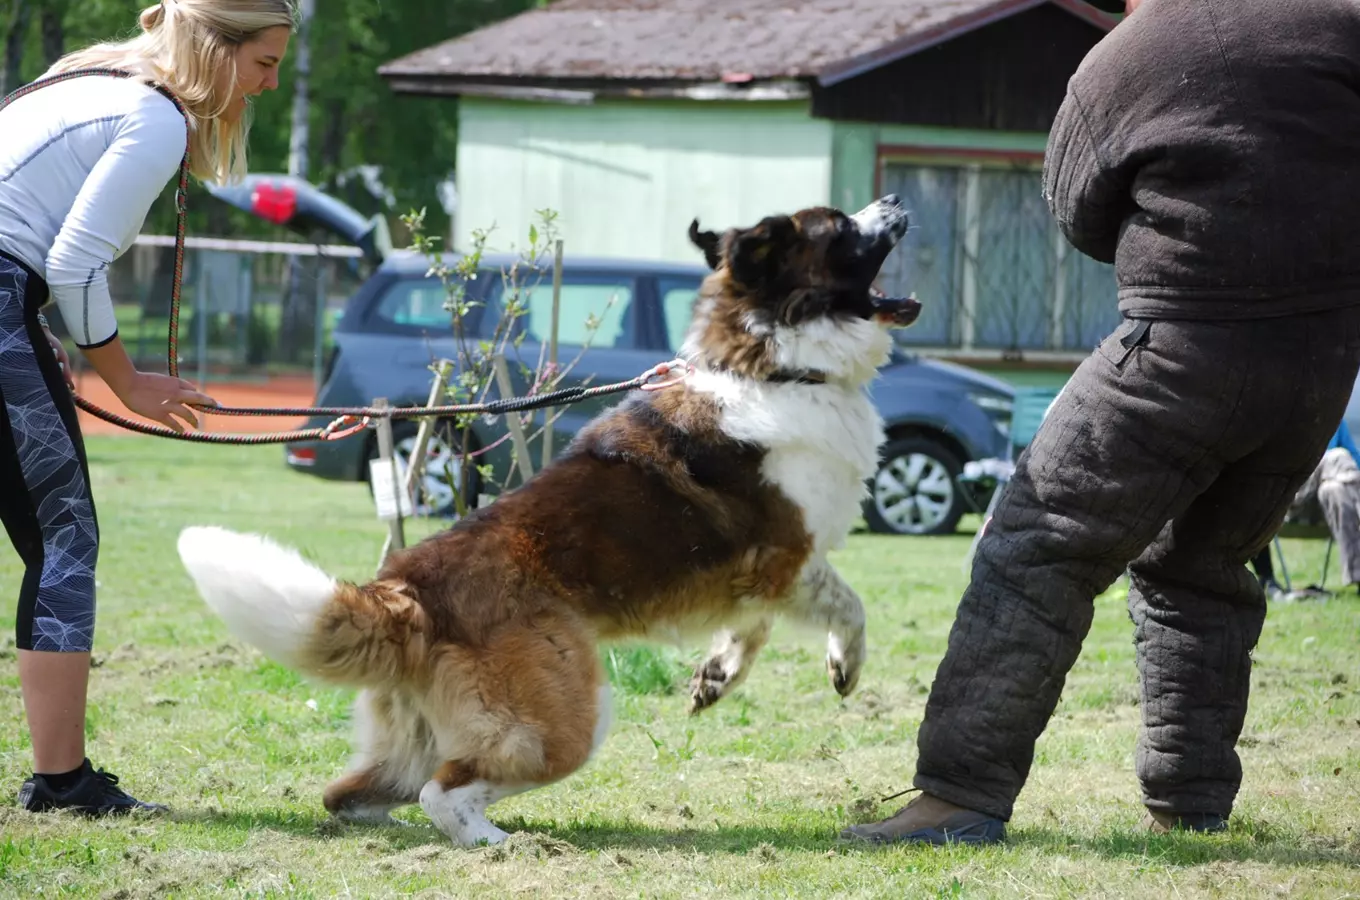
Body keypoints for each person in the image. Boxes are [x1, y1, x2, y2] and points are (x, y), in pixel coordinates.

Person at [843, 0, 1360, 845]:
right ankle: (1190, 804)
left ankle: (958, 796)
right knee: (1203, 566)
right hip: (1318, 363)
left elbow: (1078, 211)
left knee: (1034, 545)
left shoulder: (1127, 57)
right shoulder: (1340, 27)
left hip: (1180, 340)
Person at [0, 0, 294, 815]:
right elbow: (73, 266)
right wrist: (127, 381)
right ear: (216, 49)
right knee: (65, 535)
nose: (267, 87)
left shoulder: (94, 79)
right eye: (264, 64)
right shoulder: (155, 114)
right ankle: (62, 784)